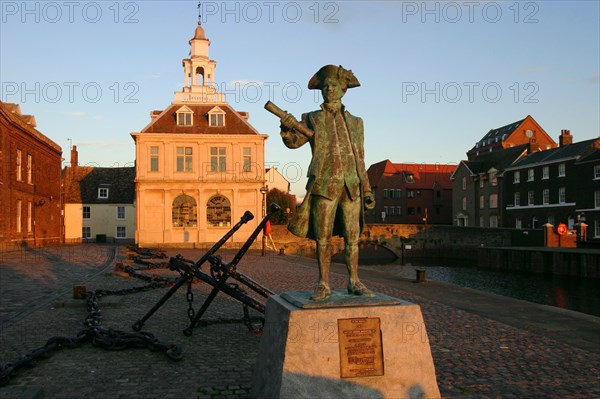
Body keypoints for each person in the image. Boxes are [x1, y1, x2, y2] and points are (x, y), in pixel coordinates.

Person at [279, 65, 375, 301]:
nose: (329, 90)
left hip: (352, 187)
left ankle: (354, 281)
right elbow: (293, 143)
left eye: (333, 85)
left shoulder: (356, 122)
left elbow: (360, 157)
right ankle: (323, 284)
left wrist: (367, 188)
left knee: (353, 238)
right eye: (325, 87)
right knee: (323, 238)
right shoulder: (312, 118)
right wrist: (286, 126)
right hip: (324, 185)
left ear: (343, 89)